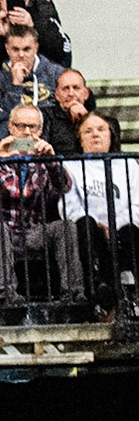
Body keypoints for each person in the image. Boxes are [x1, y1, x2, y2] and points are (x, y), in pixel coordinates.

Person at [0, 104, 82, 306]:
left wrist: (52, 161)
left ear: (40, 130)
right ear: (11, 127)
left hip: (33, 230)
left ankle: (73, 294)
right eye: (21, 126)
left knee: (66, 227)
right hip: (0, 229)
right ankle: (5, 297)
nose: (27, 132)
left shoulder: (43, 156)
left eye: (33, 127)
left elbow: (64, 187)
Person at [67, 113, 138, 319]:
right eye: (88, 131)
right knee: (85, 225)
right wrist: (99, 225)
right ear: (79, 139)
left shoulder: (129, 164)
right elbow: (70, 205)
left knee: (132, 232)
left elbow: (137, 203)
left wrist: (115, 226)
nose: (95, 135)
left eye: (101, 129)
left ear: (111, 136)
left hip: (123, 230)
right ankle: (99, 291)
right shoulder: (70, 166)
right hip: (90, 232)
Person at [41, 69, 118, 157]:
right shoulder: (45, 116)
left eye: (76, 88)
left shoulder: (107, 122)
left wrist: (85, 118)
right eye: (65, 89)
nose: (71, 93)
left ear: (85, 93)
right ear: (57, 95)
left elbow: (115, 152)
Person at [0, 24, 65, 110]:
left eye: (26, 49)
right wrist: (15, 84)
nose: (21, 55)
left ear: (36, 48)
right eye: (15, 49)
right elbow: (4, 117)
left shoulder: (56, 74)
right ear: (7, 49)